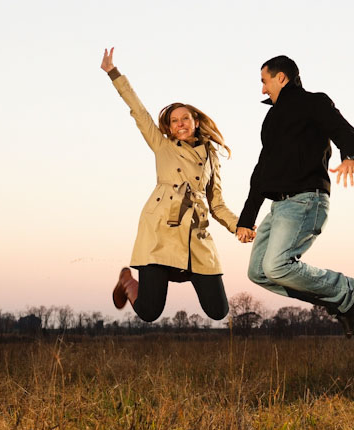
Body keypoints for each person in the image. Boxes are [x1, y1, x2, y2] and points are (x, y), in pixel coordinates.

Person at [101, 48, 246, 322]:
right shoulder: (162, 146)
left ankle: (183, 271)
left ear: (196, 121)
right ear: (169, 127)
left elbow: (217, 204)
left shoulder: (211, 157)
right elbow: (139, 112)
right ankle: (128, 283)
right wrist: (114, 74)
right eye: (174, 120)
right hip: (161, 232)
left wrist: (239, 226)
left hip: (196, 234)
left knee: (219, 310)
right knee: (148, 311)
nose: (180, 124)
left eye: (185, 119)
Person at [236, 55, 354, 337]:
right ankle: (337, 301)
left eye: (264, 81)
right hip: (279, 206)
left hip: (307, 199)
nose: (262, 89)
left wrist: (351, 155)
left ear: (281, 78)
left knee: (277, 266)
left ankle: (346, 290)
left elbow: (343, 130)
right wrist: (246, 219)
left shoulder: (313, 102)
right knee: (258, 272)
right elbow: (262, 171)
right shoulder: (271, 119)